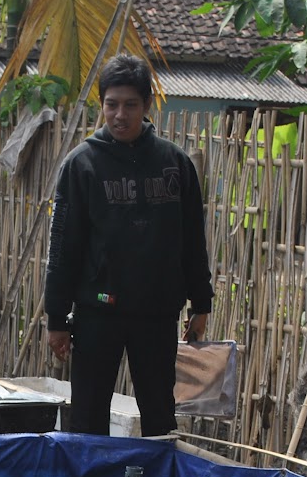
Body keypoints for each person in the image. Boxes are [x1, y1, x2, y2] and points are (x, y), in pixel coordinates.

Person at [42, 54, 213, 437]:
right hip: (97, 313)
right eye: (112, 104)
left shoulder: (175, 164)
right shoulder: (82, 165)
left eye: (130, 105)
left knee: (159, 413)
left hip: (156, 313)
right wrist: (57, 318)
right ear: (101, 105)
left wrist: (201, 303)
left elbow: (192, 240)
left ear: (147, 106)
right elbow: (63, 248)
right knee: (87, 416)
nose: (120, 115)